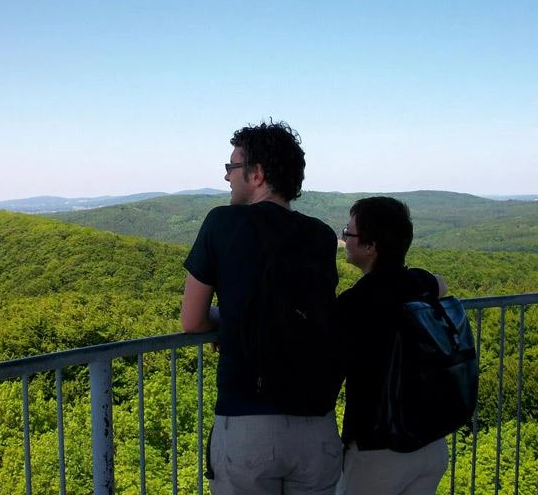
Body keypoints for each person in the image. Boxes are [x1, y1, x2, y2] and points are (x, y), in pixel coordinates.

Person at [181, 120, 343, 495]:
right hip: (317, 421)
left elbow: (192, 320)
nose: (226, 178)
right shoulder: (319, 234)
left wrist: (228, 321)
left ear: (256, 174)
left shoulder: (223, 222)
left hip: (248, 418)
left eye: (232, 167)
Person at [331, 196, 449, 495]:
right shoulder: (419, 282)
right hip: (430, 442)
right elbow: (442, 284)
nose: (344, 237)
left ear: (370, 246)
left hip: (378, 449)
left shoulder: (354, 303)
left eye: (349, 232)